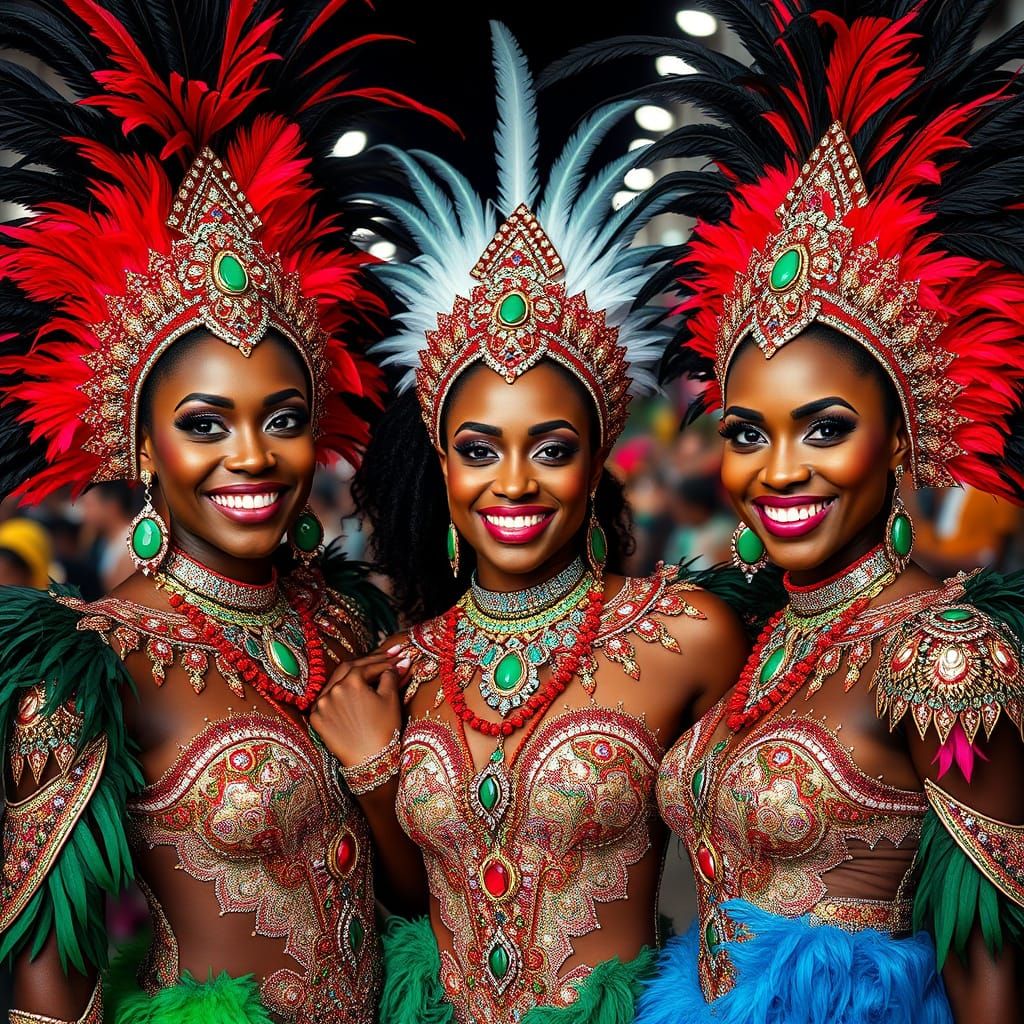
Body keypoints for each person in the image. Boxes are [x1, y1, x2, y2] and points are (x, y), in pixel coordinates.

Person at [548, 3, 1024, 1022]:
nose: (780, 469)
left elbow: (992, 971)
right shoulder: (763, 633)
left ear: (900, 440)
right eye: (747, 431)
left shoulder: (950, 659)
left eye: (823, 428)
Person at [0, 2, 454, 1022]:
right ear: (142, 442)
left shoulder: (352, 623)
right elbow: (48, 977)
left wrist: (380, 772)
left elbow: (419, 896)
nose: (251, 455)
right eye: (207, 424)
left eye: (281, 416)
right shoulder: (91, 666)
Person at [309, 23, 750, 1024]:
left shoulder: (685, 634)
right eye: (479, 449)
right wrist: (377, 770)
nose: (513, 482)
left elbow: (758, 872)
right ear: (445, 466)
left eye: (548, 447)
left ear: (596, 461)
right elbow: (412, 900)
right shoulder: (405, 666)